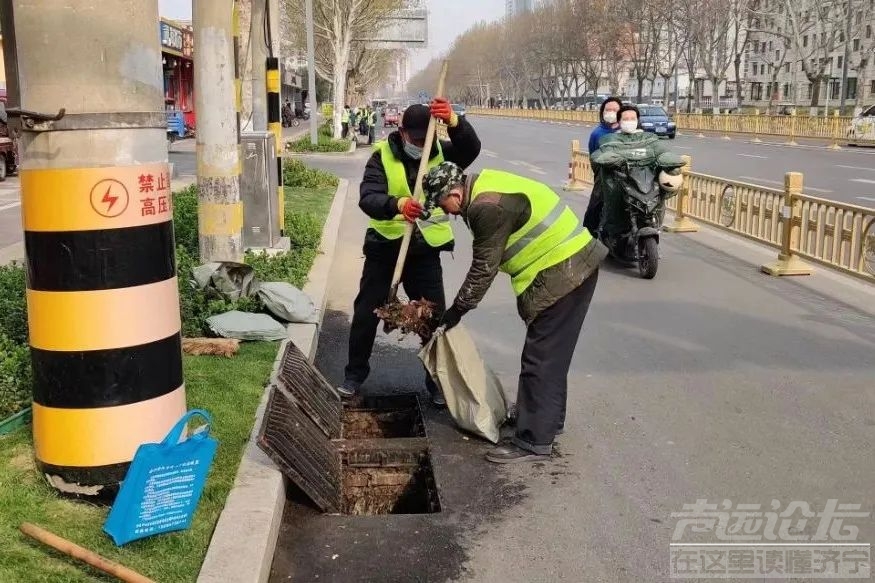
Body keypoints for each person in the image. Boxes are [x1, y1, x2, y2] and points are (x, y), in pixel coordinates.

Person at [421, 162, 607, 463]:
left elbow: (483, 269)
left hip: (565, 272)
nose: (450, 213)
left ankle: (533, 440)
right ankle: (547, 422)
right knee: (551, 356)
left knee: (540, 358)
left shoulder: (485, 208)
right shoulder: (484, 184)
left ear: (454, 192)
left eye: (445, 206)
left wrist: (456, 311)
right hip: (574, 265)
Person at [338, 98, 482, 404]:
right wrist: (397, 205)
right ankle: (354, 376)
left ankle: (437, 383)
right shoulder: (382, 157)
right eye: (415, 139)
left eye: (424, 138)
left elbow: (471, 149)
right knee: (366, 313)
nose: (420, 144)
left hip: (425, 251)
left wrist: (455, 123)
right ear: (403, 133)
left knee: (434, 319)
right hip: (385, 250)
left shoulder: (441, 151)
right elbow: (368, 198)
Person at [592, 104, 681, 238]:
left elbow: (662, 151)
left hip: (646, 181)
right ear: (619, 121)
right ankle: (609, 232)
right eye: (625, 118)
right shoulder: (610, 140)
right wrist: (609, 160)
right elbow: (600, 154)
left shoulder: (649, 139)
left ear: (637, 120)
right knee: (598, 204)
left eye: (632, 118)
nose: (629, 121)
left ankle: (653, 222)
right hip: (622, 182)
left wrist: (669, 161)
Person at [582, 97, 623, 233]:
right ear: (603, 112)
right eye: (608, 110)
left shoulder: (628, 130)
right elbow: (594, 158)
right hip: (606, 178)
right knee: (595, 207)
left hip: (629, 176)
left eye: (614, 110)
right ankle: (591, 234)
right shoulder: (597, 134)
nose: (611, 112)